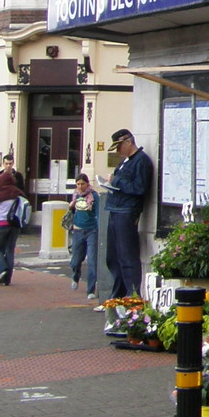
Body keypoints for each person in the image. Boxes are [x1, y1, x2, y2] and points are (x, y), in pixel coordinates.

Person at [99, 129, 152, 299]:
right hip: (115, 209)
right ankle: (118, 295)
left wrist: (116, 180)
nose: (117, 151)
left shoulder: (141, 161)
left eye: (119, 146)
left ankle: (132, 296)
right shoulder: (125, 161)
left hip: (127, 211)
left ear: (128, 142)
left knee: (127, 256)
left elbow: (139, 188)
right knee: (113, 257)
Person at [0, 164, 26, 286]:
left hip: (1, 225)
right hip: (15, 225)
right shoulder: (18, 193)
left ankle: (2, 270)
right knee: (10, 250)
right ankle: (7, 279)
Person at [66, 172, 99, 301]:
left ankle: (90, 290)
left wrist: (97, 228)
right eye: (78, 184)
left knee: (92, 261)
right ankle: (75, 275)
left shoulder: (94, 196)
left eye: (82, 184)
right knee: (75, 260)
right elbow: (72, 213)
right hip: (78, 230)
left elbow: (97, 213)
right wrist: (70, 207)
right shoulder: (75, 195)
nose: (80, 187)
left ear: (87, 184)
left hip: (91, 231)